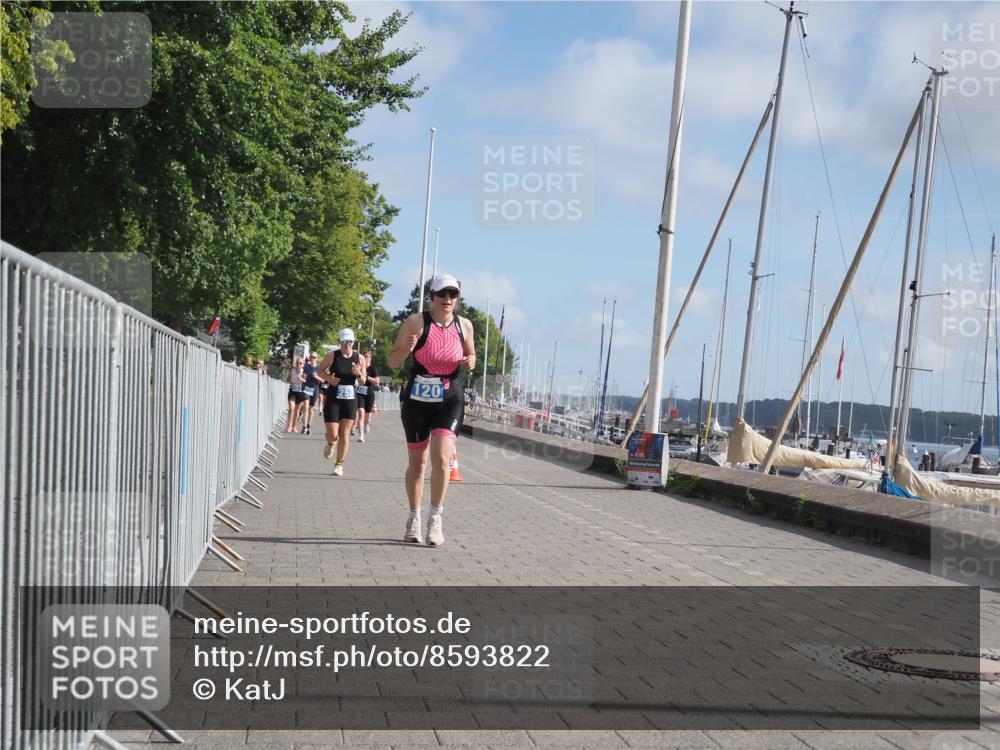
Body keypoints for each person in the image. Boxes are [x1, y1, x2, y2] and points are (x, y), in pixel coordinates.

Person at [388, 274, 475, 546]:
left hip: (449, 395)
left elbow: (470, 354)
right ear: (432, 297)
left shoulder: (465, 325)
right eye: (442, 294)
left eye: (453, 295)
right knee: (419, 463)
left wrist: (471, 360)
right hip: (417, 396)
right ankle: (414, 517)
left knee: (441, 459)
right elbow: (392, 361)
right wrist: (407, 350)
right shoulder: (416, 322)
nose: (447, 299)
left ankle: (435, 519)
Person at [315, 329, 365, 476]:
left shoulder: (359, 358)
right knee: (333, 434)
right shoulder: (332, 355)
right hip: (334, 397)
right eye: (344, 342)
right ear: (340, 342)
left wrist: (358, 373)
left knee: (344, 433)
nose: (347, 344)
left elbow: (363, 381)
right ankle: (331, 443)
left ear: (353, 342)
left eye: (349, 342)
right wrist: (329, 379)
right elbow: (320, 371)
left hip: (350, 398)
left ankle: (339, 464)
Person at [355, 349, 380, 442]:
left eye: (367, 357)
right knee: (361, 413)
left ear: (370, 359)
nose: (365, 358)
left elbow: (377, 381)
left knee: (368, 416)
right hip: (359, 393)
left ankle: (367, 424)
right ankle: (361, 436)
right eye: (364, 356)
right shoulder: (359, 367)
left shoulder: (373, 368)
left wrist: (367, 377)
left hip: (369, 392)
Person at [301, 352, 321, 435]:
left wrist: (316, 377)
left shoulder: (319, 368)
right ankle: (304, 426)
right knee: (306, 405)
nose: (312, 358)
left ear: (316, 359)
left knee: (310, 409)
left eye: (314, 357)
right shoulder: (306, 367)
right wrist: (303, 377)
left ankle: (309, 425)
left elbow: (323, 381)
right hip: (306, 388)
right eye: (311, 357)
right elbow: (302, 375)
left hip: (315, 389)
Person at [286, 357, 306, 433]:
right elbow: (287, 379)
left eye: (300, 363)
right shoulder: (292, 371)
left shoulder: (304, 372)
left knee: (297, 410)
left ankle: (294, 425)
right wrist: (290, 381)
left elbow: (307, 382)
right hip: (292, 391)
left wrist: (302, 380)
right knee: (291, 408)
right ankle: (289, 425)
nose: (298, 364)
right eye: (297, 362)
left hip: (300, 392)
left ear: (303, 365)